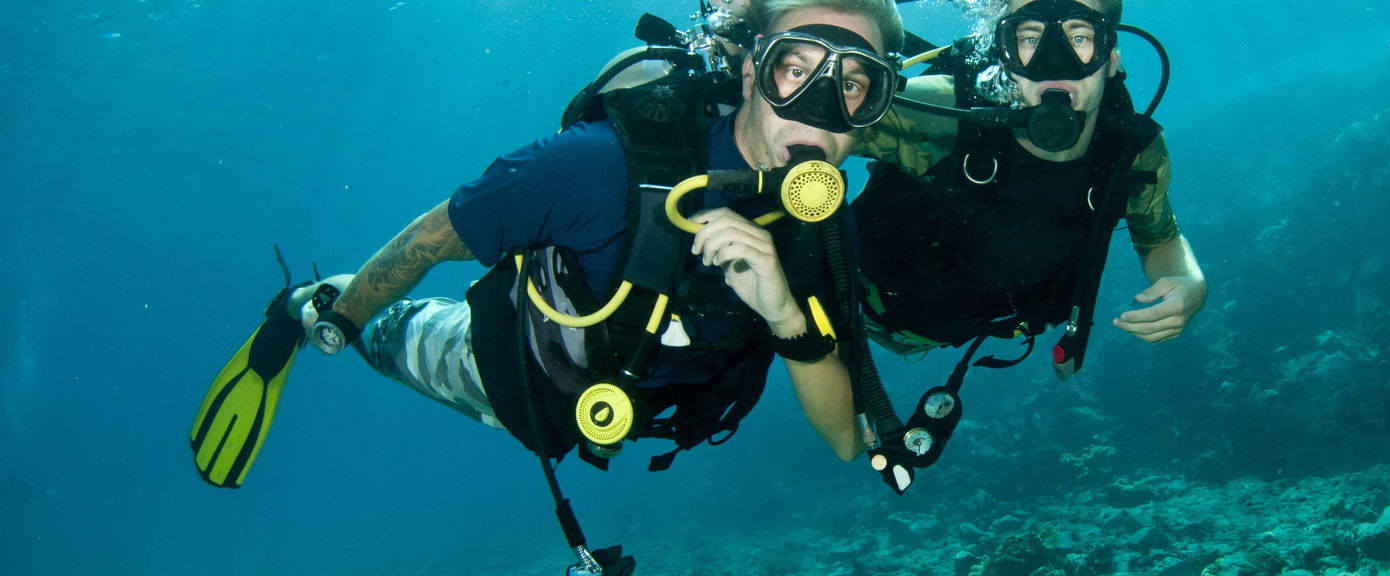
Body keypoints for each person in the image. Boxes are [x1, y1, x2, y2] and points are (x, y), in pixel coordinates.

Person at [189, 1, 904, 573]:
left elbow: (845, 439)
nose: (818, 108)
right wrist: (335, 327)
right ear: (751, 74)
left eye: (850, 84)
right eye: (794, 69)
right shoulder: (598, 166)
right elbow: (433, 237)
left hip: (654, 417)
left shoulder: (818, 226)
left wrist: (782, 310)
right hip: (516, 377)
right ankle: (303, 305)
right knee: (395, 336)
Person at [838, 0, 1207, 494]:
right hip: (858, 305)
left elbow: (1159, 236)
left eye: (1079, 36)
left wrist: (1189, 281)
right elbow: (806, 122)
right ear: (1003, 51)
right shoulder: (940, 115)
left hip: (978, 324)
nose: (1054, 61)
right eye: (1030, 38)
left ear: (1112, 56)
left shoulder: (1133, 155)